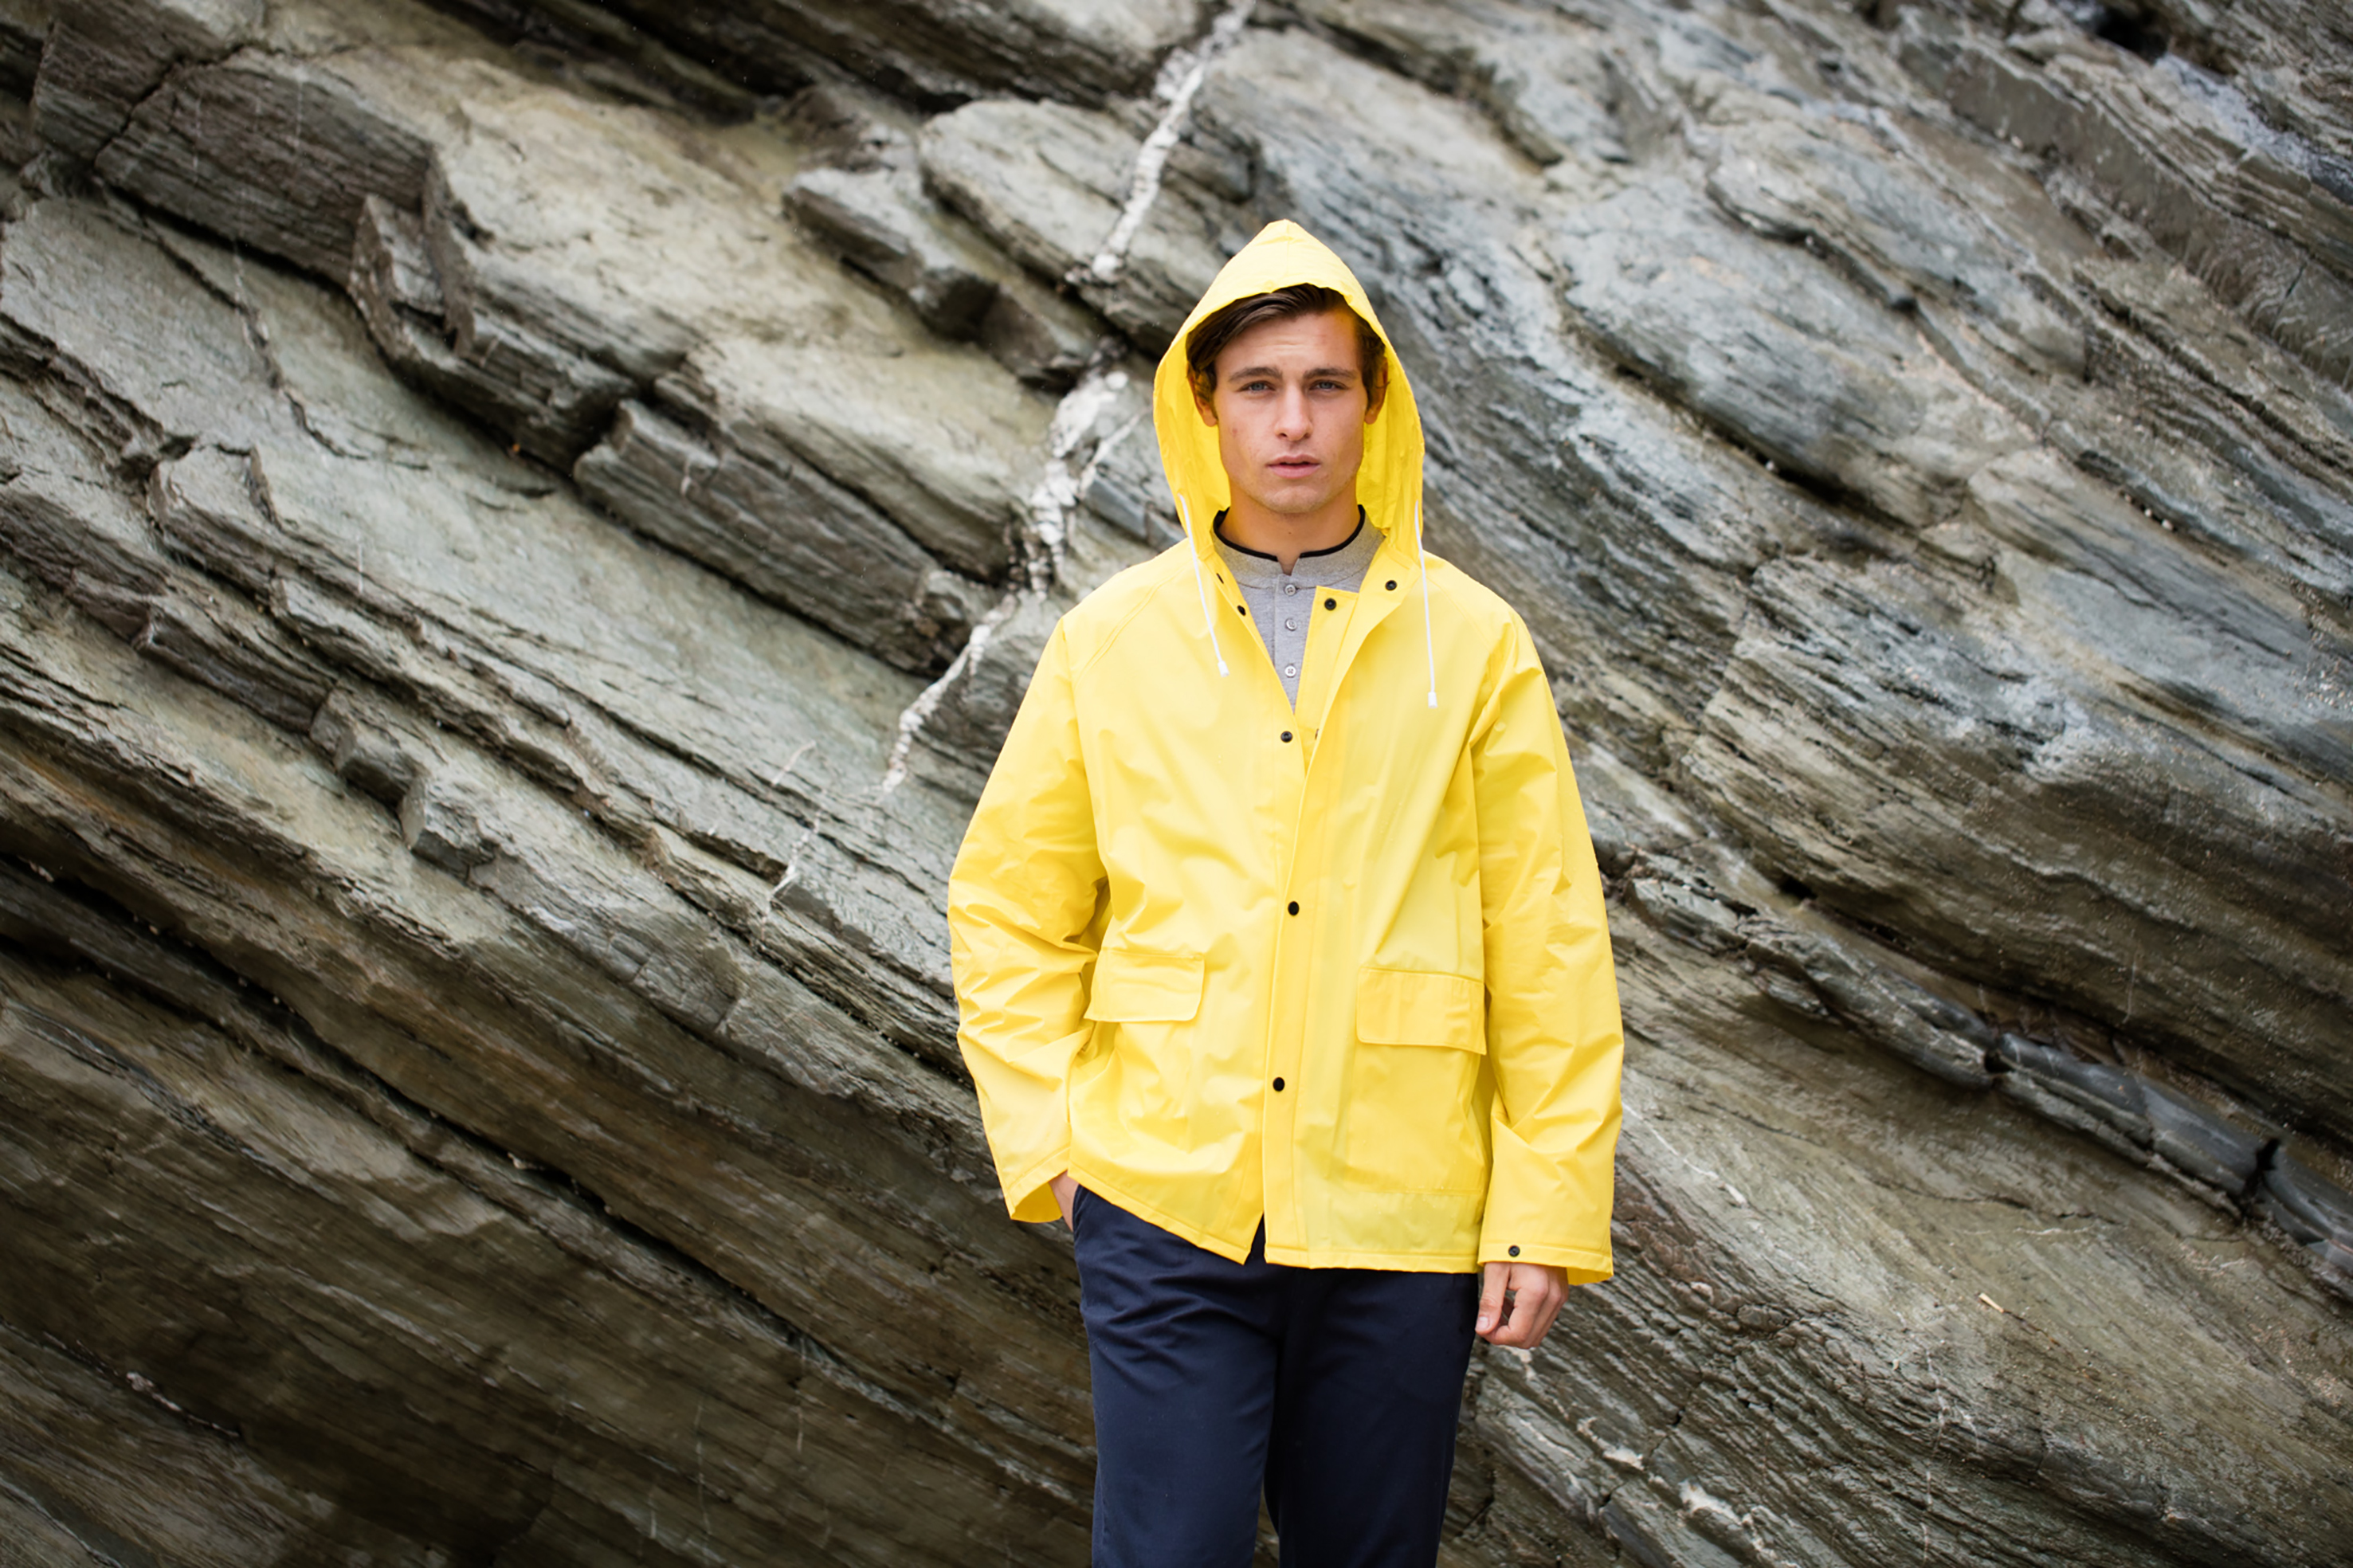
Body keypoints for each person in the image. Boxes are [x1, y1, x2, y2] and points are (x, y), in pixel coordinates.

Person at [948, 219, 1623, 1567]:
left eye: (1325, 385)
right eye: (1258, 389)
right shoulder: (1113, 638)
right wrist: (1057, 1151)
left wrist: (1541, 1205)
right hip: (1162, 1192)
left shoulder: (1471, 642)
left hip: (1402, 1206)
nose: (1293, 423)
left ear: (1372, 406)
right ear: (1206, 408)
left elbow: (1544, 935)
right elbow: (1011, 904)